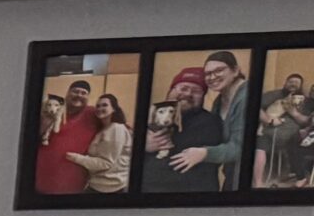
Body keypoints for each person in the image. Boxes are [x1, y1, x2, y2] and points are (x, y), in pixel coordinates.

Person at [146, 66, 225, 194]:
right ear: (171, 91)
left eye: (196, 91)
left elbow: (184, 167)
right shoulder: (150, 117)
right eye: (183, 88)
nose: (188, 94)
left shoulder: (210, 123)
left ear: (203, 97)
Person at [35, 79, 100, 194]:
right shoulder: (49, 110)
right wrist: (45, 123)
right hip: (38, 183)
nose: (79, 95)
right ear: (67, 93)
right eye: (75, 91)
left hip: (71, 186)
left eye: (83, 93)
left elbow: (116, 123)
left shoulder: (93, 114)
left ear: (88, 97)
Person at [66, 92, 133, 194]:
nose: (100, 108)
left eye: (104, 105)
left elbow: (106, 163)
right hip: (99, 183)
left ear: (114, 109)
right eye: (98, 106)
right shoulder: (104, 129)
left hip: (110, 187)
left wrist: (75, 158)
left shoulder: (116, 128)